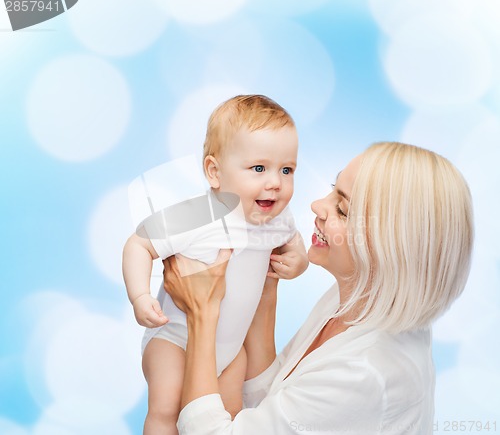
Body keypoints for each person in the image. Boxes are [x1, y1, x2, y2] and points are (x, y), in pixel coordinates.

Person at [162, 142, 474, 434]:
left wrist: (201, 313)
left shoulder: (366, 373)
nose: (317, 206)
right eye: (332, 191)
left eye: (343, 210)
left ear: (392, 248)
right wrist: (266, 288)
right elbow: (274, 400)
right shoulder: (358, 299)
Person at [122, 95, 309, 434]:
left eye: (287, 169)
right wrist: (139, 297)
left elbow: (294, 246)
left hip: (231, 349)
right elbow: (139, 243)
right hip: (176, 339)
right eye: (259, 168)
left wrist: (298, 263)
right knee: (167, 409)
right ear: (214, 172)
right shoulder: (197, 215)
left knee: (229, 416)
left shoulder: (278, 220)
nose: (275, 182)